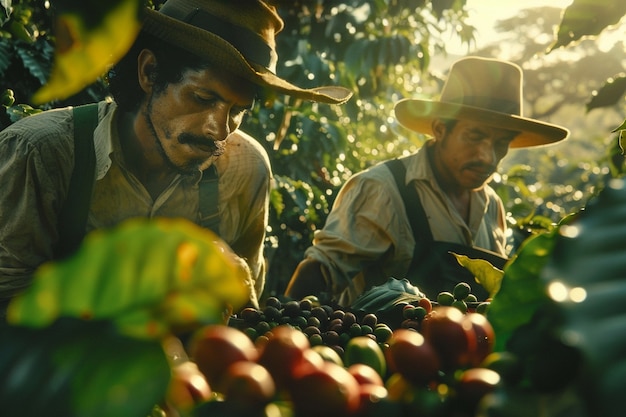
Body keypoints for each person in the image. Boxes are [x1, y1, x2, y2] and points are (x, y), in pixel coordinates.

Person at [0, 0, 352, 317]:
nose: (220, 129)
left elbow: (242, 320)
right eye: (201, 97)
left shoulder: (246, 170)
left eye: (237, 110)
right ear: (149, 72)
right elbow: (9, 308)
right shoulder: (41, 153)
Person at [285, 56, 569, 306]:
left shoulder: (491, 204)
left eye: (501, 143)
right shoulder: (383, 189)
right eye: (474, 136)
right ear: (440, 129)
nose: (486, 156)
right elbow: (319, 272)